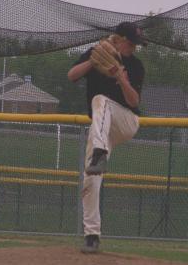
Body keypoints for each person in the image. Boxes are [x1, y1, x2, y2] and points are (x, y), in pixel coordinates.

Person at [67, 21, 146, 253]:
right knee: (91, 178)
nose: (134, 47)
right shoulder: (96, 52)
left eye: (136, 44)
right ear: (118, 39)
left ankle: (99, 153)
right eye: (131, 43)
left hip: (126, 122)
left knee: (100, 101)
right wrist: (93, 60)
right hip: (102, 128)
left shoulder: (135, 66)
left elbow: (134, 102)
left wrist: (121, 77)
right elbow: (72, 75)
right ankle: (92, 236)